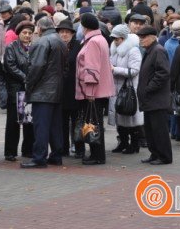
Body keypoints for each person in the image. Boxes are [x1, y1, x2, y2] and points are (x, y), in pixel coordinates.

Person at [21, 17, 66, 168]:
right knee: (55, 126)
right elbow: (64, 68)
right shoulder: (60, 41)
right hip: (57, 90)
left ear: (39, 28)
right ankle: (56, 155)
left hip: (43, 91)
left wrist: (29, 84)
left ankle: (39, 157)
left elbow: (36, 66)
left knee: (41, 126)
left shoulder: (41, 42)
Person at [74, 13, 114, 165]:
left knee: (93, 123)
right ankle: (98, 155)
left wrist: (89, 92)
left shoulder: (92, 42)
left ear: (84, 27)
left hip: (93, 92)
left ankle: (97, 156)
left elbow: (91, 69)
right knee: (96, 123)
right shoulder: (100, 39)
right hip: (101, 90)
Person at [136, 25, 173, 165]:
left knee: (159, 130)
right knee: (151, 130)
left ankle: (164, 157)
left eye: (143, 37)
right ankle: (155, 153)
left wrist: (148, 88)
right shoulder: (150, 50)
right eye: (140, 37)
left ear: (152, 37)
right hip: (150, 99)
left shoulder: (158, 50)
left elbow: (163, 73)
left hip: (156, 99)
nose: (141, 40)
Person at [3, 20, 35, 161]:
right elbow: (10, 66)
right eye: (24, 33)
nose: (27, 35)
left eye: (29, 33)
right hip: (16, 89)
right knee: (13, 123)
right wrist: (25, 78)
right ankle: (10, 152)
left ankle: (28, 150)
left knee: (29, 121)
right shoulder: (12, 47)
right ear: (18, 34)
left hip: (29, 90)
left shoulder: (34, 47)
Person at [109, 24, 143, 154]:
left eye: (117, 39)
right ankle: (122, 142)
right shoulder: (114, 49)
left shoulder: (133, 50)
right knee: (120, 119)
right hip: (116, 89)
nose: (115, 41)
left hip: (129, 90)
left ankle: (134, 145)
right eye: (114, 39)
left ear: (123, 38)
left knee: (130, 118)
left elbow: (134, 70)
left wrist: (114, 69)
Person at [56, 19, 84, 158]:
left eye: (67, 32)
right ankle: (63, 148)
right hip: (60, 89)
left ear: (72, 34)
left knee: (77, 121)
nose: (65, 35)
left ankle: (79, 148)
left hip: (75, 89)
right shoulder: (56, 45)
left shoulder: (79, 46)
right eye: (62, 32)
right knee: (62, 122)